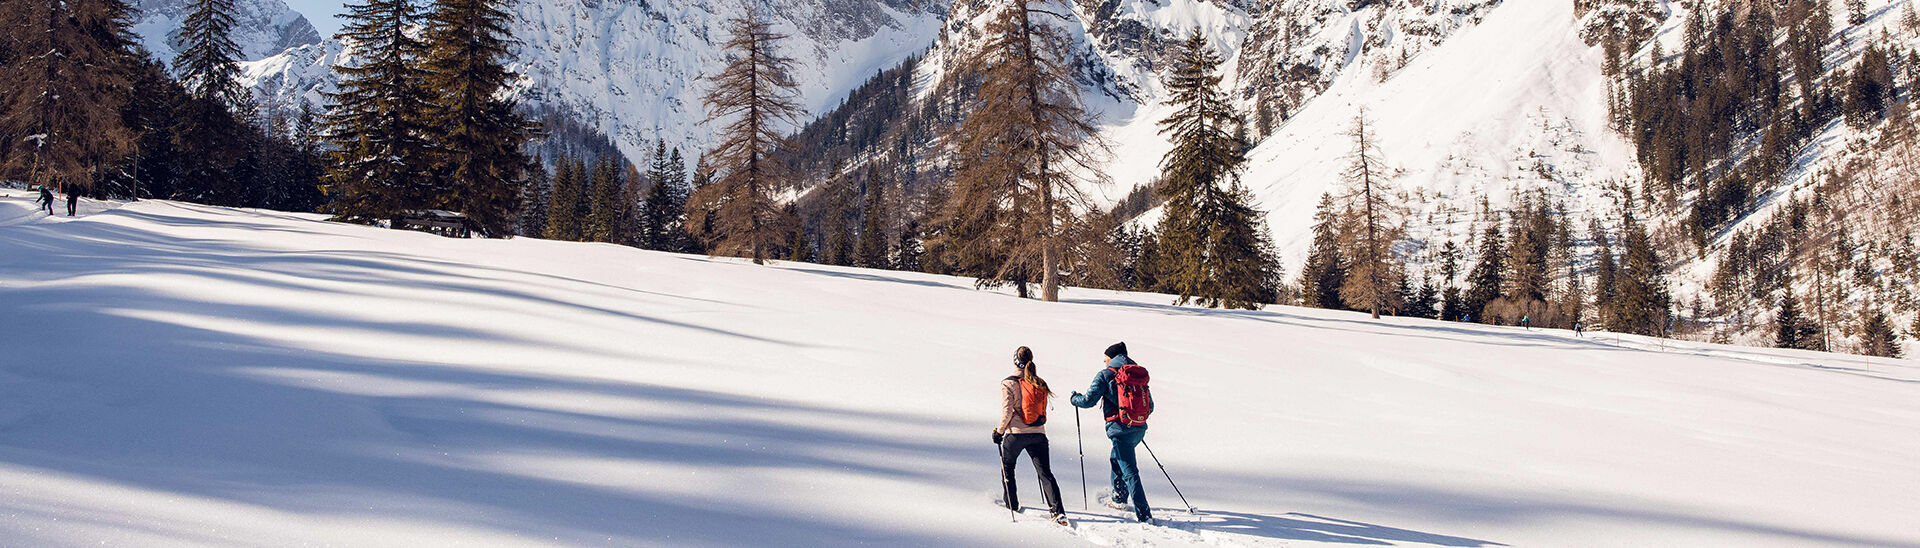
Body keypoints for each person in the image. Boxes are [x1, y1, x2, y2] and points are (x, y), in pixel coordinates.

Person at [1071, 342, 1153, 523]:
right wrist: (1133, 417)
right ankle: (1119, 498)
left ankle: (1144, 514)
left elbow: (1088, 401)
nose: (1104, 361)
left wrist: (1074, 399)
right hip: (1138, 428)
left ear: (1111, 358)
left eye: (1105, 358)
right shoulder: (1137, 374)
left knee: (1130, 470)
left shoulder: (1106, 374)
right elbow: (1151, 406)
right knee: (1117, 458)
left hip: (1120, 430)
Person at [995, 347, 1068, 525]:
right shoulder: (1038, 382)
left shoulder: (1008, 383)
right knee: (1045, 473)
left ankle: (1012, 505)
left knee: (1008, 467)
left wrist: (999, 431)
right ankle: (1057, 511)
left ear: (1014, 360)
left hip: (1016, 434)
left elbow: (1007, 411)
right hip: (1038, 433)